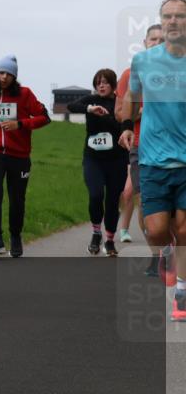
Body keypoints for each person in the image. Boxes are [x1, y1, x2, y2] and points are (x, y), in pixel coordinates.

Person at [119, 0, 186, 322]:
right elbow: (132, 95)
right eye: (167, 16)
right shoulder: (144, 61)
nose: (173, 21)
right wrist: (126, 125)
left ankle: (182, 293)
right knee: (156, 228)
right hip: (153, 158)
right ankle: (166, 255)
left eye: (180, 16)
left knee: (185, 230)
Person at [0, 55, 51, 258]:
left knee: (17, 199)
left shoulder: (25, 94)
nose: (3, 77)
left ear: (14, 76)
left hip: (19, 155)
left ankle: (16, 236)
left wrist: (20, 124)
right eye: (0, 73)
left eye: (8, 74)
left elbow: (45, 117)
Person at [115, 24, 164, 274]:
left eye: (161, 39)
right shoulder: (130, 74)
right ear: (144, 43)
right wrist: (137, 113)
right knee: (146, 200)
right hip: (141, 144)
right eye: (152, 39)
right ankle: (156, 255)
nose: (157, 43)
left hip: (173, 146)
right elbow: (119, 111)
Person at [67, 70, 129, 256]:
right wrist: (90, 109)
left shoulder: (120, 103)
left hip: (117, 160)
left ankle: (109, 240)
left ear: (113, 85)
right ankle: (96, 233)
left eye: (105, 82)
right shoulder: (90, 100)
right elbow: (71, 106)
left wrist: (107, 117)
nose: (101, 86)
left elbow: (125, 123)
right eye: (98, 83)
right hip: (93, 159)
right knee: (95, 195)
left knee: (111, 201)